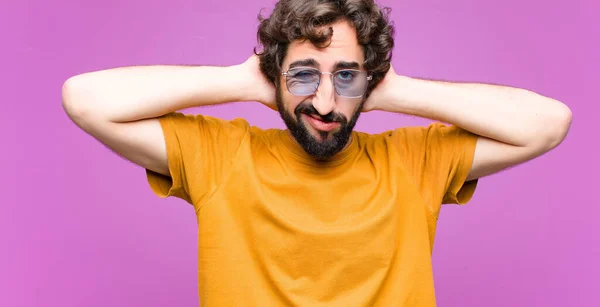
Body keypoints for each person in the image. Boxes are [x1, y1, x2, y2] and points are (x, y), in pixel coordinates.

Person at [61, 0, 572, 306]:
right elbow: (85, 100)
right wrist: (243, 81)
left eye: (345, 76)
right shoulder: (221, 154)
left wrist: (394, 90)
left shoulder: (414, 160)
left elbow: (548, 125)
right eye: (304, 74)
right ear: (275, 75)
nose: (326, 104)